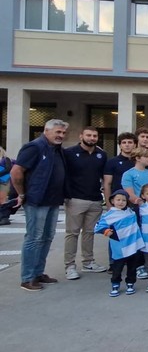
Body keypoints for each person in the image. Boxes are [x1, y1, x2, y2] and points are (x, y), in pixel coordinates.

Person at [11, 119, 69, 291]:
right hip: (37, 200)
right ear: (46, 130)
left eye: (63, 133)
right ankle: (27, 278)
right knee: (34, 238)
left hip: (53, 200)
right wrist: (22, 194)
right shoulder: (34, 147)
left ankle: (38, 273)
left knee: (46, 237)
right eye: (58, 132)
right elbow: (16, 171)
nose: (61, 136)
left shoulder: (58, 150)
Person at [63, 126, 108, 280]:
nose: (92, 138)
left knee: (89, 233)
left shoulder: (101, 155)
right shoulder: (69, 153)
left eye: (94, 136)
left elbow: (104, 177)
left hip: (95, 199)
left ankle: (88, 262)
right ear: (81, 136)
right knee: (72, 233)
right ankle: (69, 266)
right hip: (75, 199)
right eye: (89, 135)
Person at [95, 189, 144, 297]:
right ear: (112, 201)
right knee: (118, 267)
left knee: (132, 267)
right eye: (118, 200)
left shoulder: (130, 212)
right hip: (119, 247)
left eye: (123, 200)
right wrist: (106, 231)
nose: (121, 202)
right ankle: (115, 284)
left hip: (133, 245)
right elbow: (98, 226)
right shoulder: (109, 215)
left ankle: (130, 283)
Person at [103, 132, 136, 209]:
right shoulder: (112, 162)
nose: (127, 145)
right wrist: (109, 204)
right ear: (120, 145)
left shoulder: (139, 162)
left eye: (130, 142)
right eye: (124, 142)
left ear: (135, 145)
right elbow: (107, 184)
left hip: (135, 202)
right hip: (118, 202)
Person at [0, 146, 14, 225]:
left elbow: (8, 169)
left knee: (2, 200)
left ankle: (4, 217)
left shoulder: (5, 159)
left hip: (4, 181)